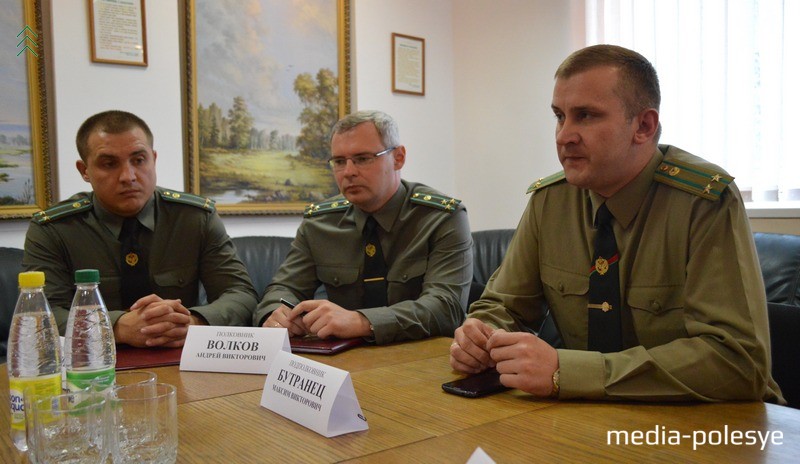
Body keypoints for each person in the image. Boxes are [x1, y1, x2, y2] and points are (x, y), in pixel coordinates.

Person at [450, 45, 784, 403]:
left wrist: (568, 371)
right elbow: (504, 306)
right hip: (588, 420)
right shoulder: (550, 201)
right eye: (559, 116)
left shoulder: (703, 202)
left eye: (586, 116)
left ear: (643, 126)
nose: (564, 136)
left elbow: (738, 362)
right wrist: (480, 335)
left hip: (714, 426)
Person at [23, 110, 258, 348]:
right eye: (109, 163)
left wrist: (193, 322)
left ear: (153, 159)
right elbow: (39, 315)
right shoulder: (54, 230)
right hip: (91, 366)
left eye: (139, 160)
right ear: (84, 170)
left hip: (181, 358)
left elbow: (242, 295)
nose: (128, 176)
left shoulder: (195, 218)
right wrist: (114, 326)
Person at [255, 110, 472, 344]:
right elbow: (284, 288)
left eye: (363, 159)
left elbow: (446, 307)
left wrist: (362, 322)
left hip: (421, 356)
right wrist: (276, 314)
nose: (348, 172)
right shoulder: (319, 223)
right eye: (339, 161)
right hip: (345, 361)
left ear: (398, 157)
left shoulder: (441, 217)